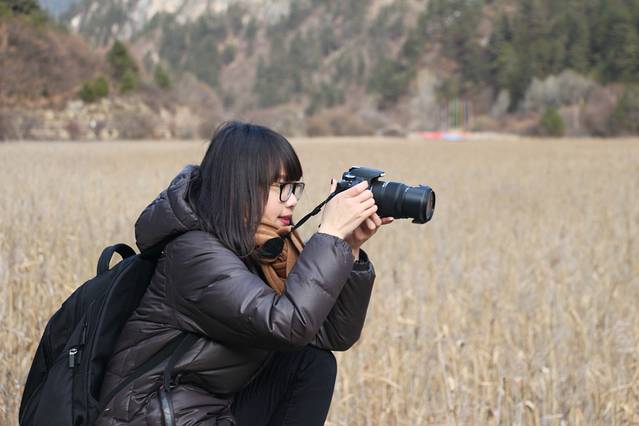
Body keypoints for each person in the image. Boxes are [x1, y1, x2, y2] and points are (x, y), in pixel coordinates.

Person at [95, 121, 393, 425]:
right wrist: (329, 235)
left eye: (295, 188)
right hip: (153, 416)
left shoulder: (260, 248)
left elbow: (331, 334)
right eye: (281, 187)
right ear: (239, 188)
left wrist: (349, 247)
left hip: (209, 409)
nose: (292, 199)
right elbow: (287, 324)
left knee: (311, 362)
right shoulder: (194, 254)